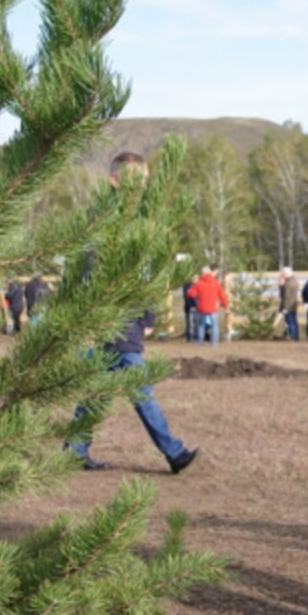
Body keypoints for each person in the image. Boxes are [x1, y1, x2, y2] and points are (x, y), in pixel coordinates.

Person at [66, 152, 200, 475]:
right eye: (137, 182)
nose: (143, 188)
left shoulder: (137, 222)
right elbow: (113, 273)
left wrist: (149, 317)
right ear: (115, 181)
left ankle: (74, 450)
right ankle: (174, 453)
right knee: (141, 390)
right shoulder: (109, 224)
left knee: (96, 390)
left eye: (145, 182)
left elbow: (147, 272)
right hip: (114, 320)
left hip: (114, 321)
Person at [186, 265, 229, 348]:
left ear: (203, 273)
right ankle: (214, 344)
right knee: (214, 326)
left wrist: (190, 292)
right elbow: (222, 296)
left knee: (201, 326)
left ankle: (200, 343)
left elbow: (191, 294)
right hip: (213, 308)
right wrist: (225, 305)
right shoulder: (216, 283)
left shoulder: (199, 283)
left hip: (202, 308)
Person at [278, 267, 301, 341]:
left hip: (288, 305)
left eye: (283, 274)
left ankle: (293, 337)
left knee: (290, 321)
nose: (281, 275)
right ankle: (295, 336)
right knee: (294, 321)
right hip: (293, 305)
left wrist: (284, 308)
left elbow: (286, 296)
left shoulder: (288, 283)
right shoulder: (295, 281)